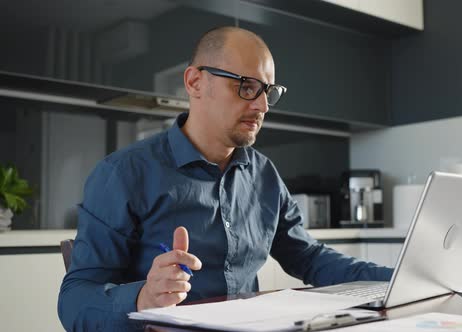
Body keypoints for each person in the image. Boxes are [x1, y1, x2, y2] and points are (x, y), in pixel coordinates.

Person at [58, 26, 393, 331]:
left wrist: (398, 280)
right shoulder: (123, 175)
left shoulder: (264, 175)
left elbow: (309, 257)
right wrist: (143, 297)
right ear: (194, 83)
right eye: (246, 86)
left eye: (268, 91)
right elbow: (74, 302)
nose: (262, 104)